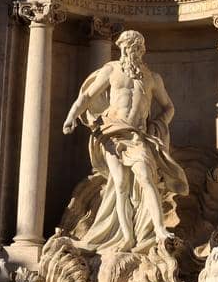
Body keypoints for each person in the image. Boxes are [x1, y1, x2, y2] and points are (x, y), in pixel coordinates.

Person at [62, 30, 188, 252]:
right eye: (124, 47)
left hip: (137, 135)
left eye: (131, 47)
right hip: (111, 131)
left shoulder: (152, 78)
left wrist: (157, 125)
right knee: (120, 184)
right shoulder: (111, 69)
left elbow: (169, 107)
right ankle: (127, 237)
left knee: (146, 178)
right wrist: (71, 117)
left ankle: (159, 229)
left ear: (139, 48)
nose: (127, 51)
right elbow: (88, 96)